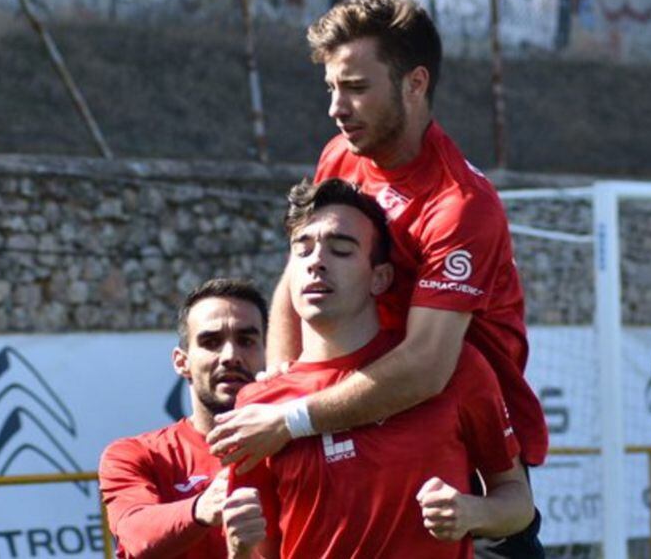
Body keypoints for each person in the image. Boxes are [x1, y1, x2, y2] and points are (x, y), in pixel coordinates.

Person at [206, 0, 547, 557]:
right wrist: (282, 381)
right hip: (341, 406)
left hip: (455, 433)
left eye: (357, 89)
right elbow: (296, 272)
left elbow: (426, 369)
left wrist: (289, 418)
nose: (337, 108)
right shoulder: (339, 155)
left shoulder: (460, 204)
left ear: (415, 84)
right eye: (332, 88)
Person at [221, 179, 532, 559]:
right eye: (302, 251)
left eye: (340, 250)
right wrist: (238, 550)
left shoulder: (457, 368)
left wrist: (472, 511)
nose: (316, 261)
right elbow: (261, 552)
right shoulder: (258, 407)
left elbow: (518, 502)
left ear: (380, 277)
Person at [98, 279, 268, 559]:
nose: (231, 356)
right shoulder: (136, 455)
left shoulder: (292, 449)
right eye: (211, 342)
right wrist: (201, 507)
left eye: (246, 341)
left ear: (268, 355)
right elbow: (135, 534)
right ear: (181, 362)